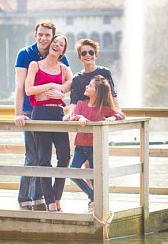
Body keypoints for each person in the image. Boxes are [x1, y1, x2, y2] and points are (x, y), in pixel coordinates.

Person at [13, 21, 69, 211]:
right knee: (33, 156)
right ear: (35, 35)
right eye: (41, 34)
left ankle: (40, 198)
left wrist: (62, 92)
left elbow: (68, 83)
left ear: (53, 37)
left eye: (48, 35)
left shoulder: (61, 58)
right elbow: (20, 86)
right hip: (31, 111)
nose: (44, 38)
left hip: (54, 111)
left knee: (49, 156)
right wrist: (18, 114)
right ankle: (25, 198)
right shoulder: (26, 55)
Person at [25, 34, 73, 213]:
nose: (57, 45)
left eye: (61, 45)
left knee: (64, 156)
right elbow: (29, 89)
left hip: (58, 113)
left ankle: (57, 196)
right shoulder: (35, 65)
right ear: (50, 45)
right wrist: (51, 85)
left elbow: (71, 84)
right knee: (44, 158)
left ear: (62, 51)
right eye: (55, 42)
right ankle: (50, 202)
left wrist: (62, 93)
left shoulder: (64, 68)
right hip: (41, 113)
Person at [64, 75, 124, 211]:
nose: (86, 87)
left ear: (97, 92)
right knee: (73, 171)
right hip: (80, 146)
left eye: (90, 86)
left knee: (94, 176)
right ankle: (93, 197)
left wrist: (113, 118)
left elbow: (121, 115)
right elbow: (75, 116)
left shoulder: (104, 107)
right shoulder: (81, 104)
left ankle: (96, 200)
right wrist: (81, 117)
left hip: (94, 147)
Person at [69, 38, 121, 107]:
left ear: (96, 55)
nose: (88, 55)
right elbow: (74, 102)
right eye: (84, 53)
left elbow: (113, 95)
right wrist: (70, 114)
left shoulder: (105, 72)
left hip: (103, 115)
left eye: (91, 52)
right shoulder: (76, 78)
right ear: (79, 57)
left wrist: (118, 113)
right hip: (84, 116)